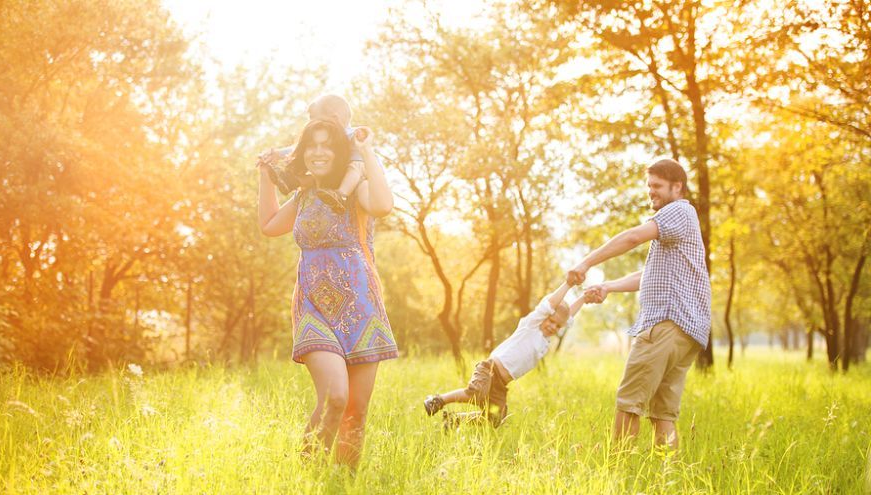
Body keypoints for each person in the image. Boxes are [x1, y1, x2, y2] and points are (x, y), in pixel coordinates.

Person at [256, 118, 397, 468]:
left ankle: (341, 485)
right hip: (312, 306)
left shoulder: (355, 189)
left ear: (340, 152)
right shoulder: (303, 196)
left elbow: (382, 205)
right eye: (312, 145)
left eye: (327, 145)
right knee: (335, 396)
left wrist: (366, 148)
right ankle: (308, 477)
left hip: (362, 307)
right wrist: (265, 174)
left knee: (356, 412)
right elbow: (270, 225)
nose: (319, 152)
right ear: (303, 152)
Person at [567, 158, 711, 451]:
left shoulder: (678, 211)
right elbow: (649, 275)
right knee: (663, 413)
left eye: (657, 186)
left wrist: (586, 262)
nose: (651, 192)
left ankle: (618, 471)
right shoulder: (681, 223)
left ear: (677, 187)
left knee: (629, 401)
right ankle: (667, 477)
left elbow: (632, 237)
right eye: (649, 186)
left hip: (666, 324)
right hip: (686, 332)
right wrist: (608, 286)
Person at [422, 281, 586, 427]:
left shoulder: (545, 341)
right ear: (544, 317)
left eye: (557, 326)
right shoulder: (531, 325)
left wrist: (584, 298)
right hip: (490, 370)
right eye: (551, 321)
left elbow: (568, 317)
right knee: (477, 393)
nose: (553, 327)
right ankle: (438, 400)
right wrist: (568, 284)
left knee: (495, 418)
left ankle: (455, 420)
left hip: (500, 384)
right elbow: (549, 304)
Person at [257, 94, 367, 212]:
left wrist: (362, 136)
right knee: (321, 176)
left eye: (313, 118)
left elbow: (363, 137)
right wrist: (278, 154)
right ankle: (292, 181)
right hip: (338, 175)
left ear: (335, 118)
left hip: (361, 173)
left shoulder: (350, 133)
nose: (311, 123)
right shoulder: (327, 135)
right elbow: (300, 148)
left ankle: (341, 195)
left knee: (355, 167)